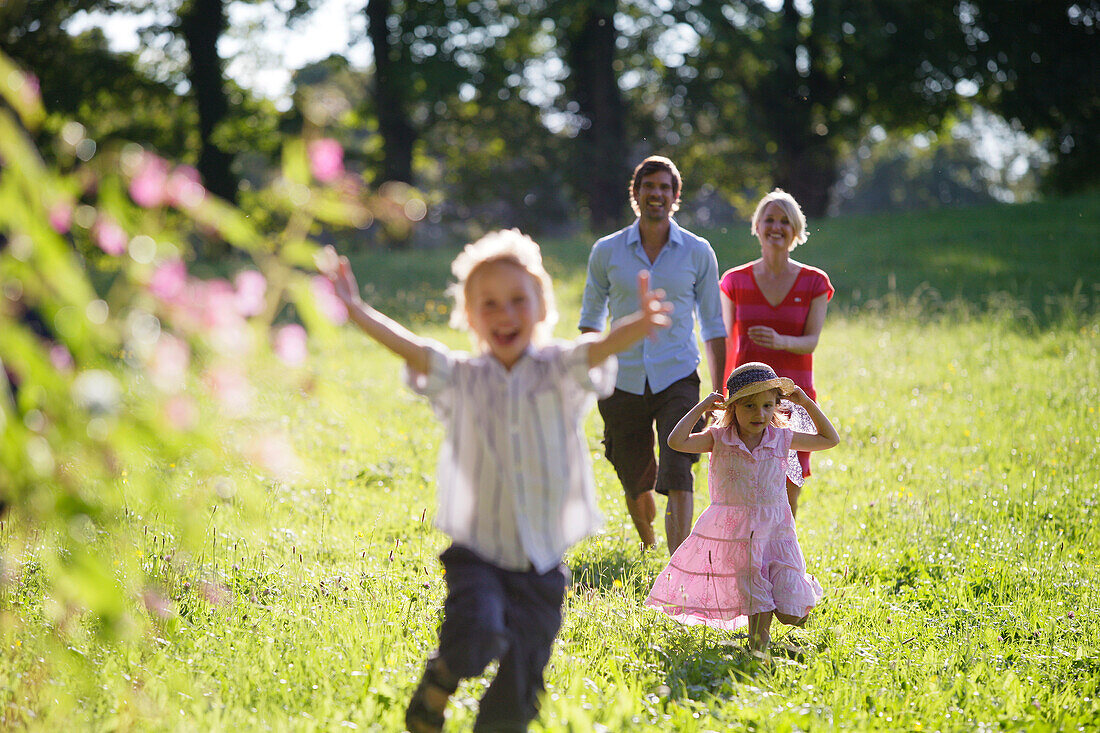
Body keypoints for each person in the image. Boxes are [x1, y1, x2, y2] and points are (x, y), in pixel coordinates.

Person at [316, 230, 672, 733]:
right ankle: (441, 679)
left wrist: (635, 326)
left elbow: (596, 348)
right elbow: (414, 349)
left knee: (521, 686)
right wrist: (355, 311)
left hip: (543, 561)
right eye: (489, 304)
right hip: (478, 551)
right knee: (473, 635)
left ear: (542, 306)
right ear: (469, 316)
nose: (504, 314)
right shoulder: (463, 377)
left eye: (517, 301)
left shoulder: (558, 371)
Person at [579, 155, 726, 554]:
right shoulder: (606, 251)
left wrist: (721, 390)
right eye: (649, 187)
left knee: (679, 469)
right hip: (620, 378)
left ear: (676, 196)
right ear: (636, 194)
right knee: (634, 476)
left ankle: (677, 569)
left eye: (665, 188)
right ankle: (648, 544)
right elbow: (590, 319)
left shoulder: (698, 251)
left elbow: (713, 324)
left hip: (677, 374)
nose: (657, 194)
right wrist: (587, 371)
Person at [644, 361, 839, 653]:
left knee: (793, 614)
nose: (758, 414)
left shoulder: (781, 438)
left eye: (766, 405)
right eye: (748, 406)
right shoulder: (719, 439)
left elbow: (829, 439)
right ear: (732, 408)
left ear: (775, 406)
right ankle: (758, 650)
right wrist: (703, 407)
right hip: (737, 531)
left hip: (776, 530)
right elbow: (676, 441)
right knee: (754, 590)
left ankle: (793, 596)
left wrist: (806, 402)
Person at [720, 189, 834, 519]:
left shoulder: (814, 281)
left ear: (796, 229)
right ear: (756, 227)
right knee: (744, 486)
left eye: (785, 221)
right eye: (769, 219)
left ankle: (783, 564)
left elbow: (811, 341)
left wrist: (779, 340)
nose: (776, 227)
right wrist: (721, 396)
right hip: (745, 399)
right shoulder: (734, 281)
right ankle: (746, 562)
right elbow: (728, 342)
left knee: (787, 490)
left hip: (793, 398)